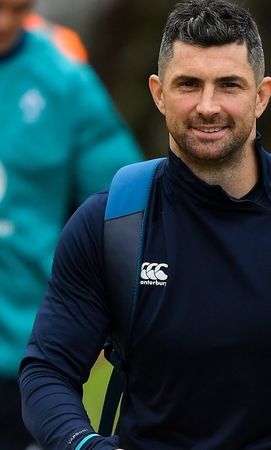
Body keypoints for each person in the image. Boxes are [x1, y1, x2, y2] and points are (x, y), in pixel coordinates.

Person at [17, 0, 271, 449]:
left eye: (229, 85)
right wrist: (84, 444)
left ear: (262, 95)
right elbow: (47, 371)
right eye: (188, 85)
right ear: (158, 93)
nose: (207, 106)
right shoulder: (109, 224)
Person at [0, 0, 142, 447]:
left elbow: (125, 213)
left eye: (16, 8)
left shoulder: (65, 79)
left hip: (15, 353)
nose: (2, 21)